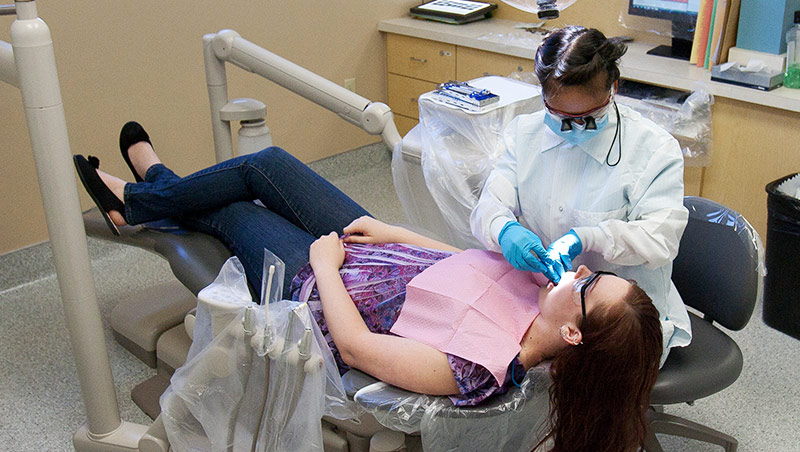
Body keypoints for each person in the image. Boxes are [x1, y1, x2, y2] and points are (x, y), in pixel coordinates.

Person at [74, 122, 661, 452]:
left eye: (588, 289)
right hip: (375, 246)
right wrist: (391, 230)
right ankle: (149, 190)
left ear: (571, 334)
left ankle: (144, 192)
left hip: (322, 282)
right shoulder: (540, 289)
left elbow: (354, 348)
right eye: (596, 272)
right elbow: (462, 261)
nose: (580, 272)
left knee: (231, 211)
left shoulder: (478, 368)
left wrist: (325, 266)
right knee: (265, 165)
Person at [470, 25, 691, 362]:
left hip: (618, 328)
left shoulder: (653, 150)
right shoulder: (525, 135)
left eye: (588, 118)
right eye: (560, 116)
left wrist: (588, 237)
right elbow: (489, 206)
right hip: (547, 305)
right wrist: (504, 230)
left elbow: (659, 239)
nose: (572, 127)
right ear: (544, 96)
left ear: (614, 89)